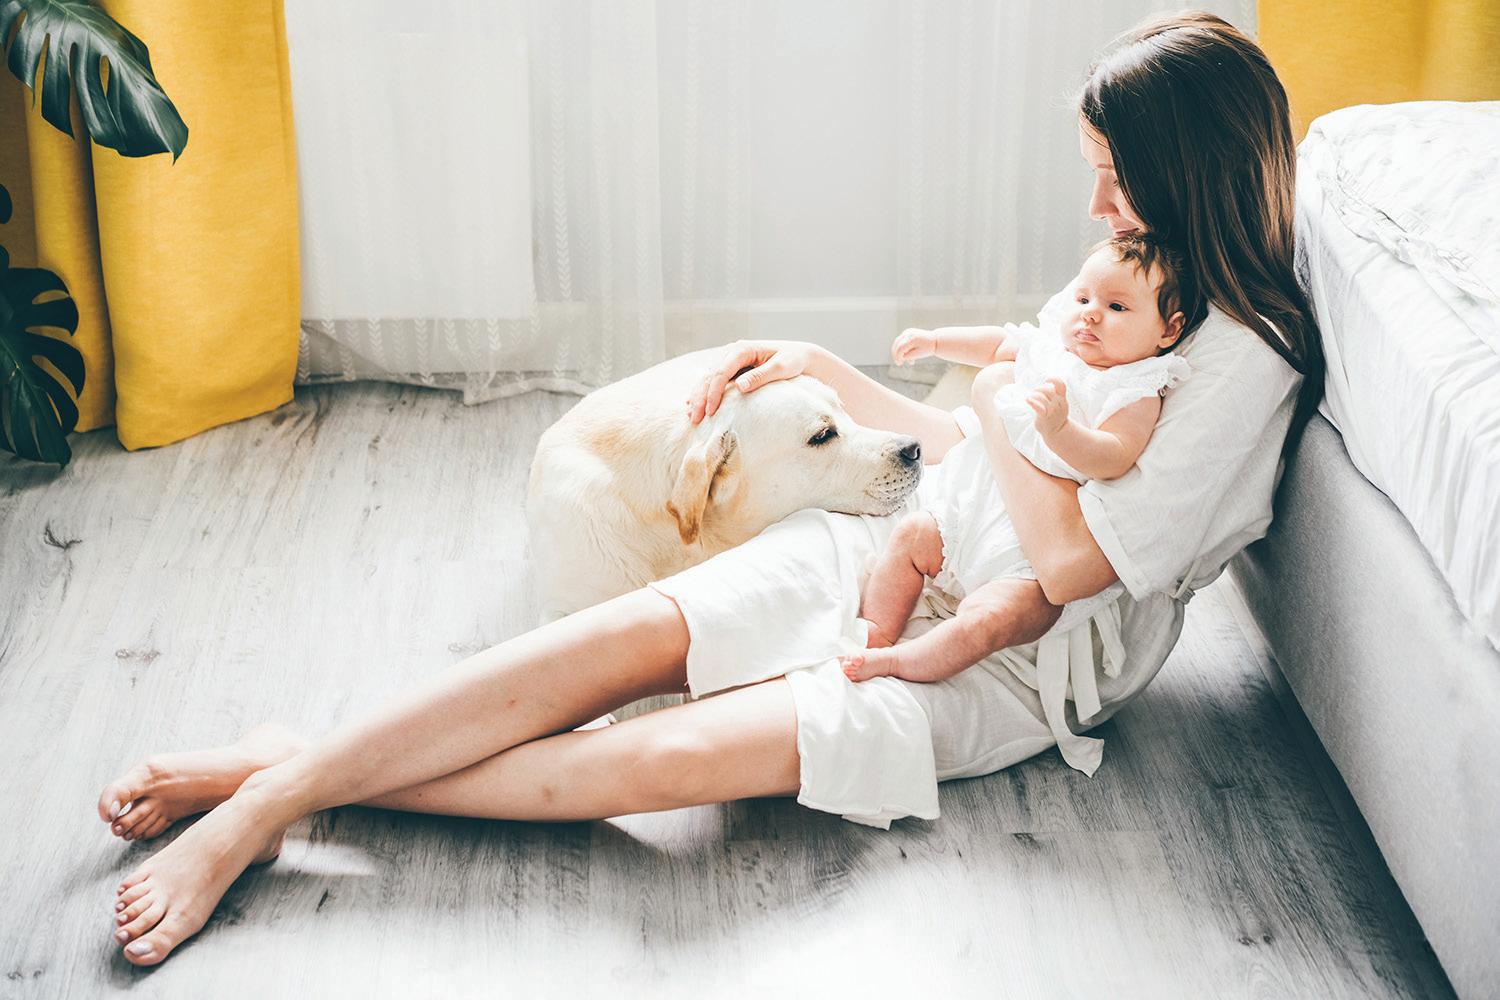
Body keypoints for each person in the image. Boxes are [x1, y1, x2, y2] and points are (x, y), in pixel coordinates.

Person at [95, 11, 1323, 967]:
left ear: (1194, 171)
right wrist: (828, 367)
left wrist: (1004, 397)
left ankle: (279, 778)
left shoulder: (1245, 359)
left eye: (1116, 177)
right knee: (611, 647)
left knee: (646, 767)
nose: (1095, 207)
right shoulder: (1135, 264)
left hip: (1009, 662)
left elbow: (1064, 561)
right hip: (912, 542)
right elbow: (973, 447)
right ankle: (275, 789)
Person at [838, 236, 1197, 770]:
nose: (1090, 315)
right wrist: (935, 341)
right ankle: (877, 631)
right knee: (911, 538)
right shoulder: (1053, 348)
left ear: (1168, 330)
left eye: (1117, 307)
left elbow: (1114, 455)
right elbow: (996, 345)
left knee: (988, 621)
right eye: (1083, 299)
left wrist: (1062, 431)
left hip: (1032, 552)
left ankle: (899, 663)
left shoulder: (1137, 386)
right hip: (976, 508)